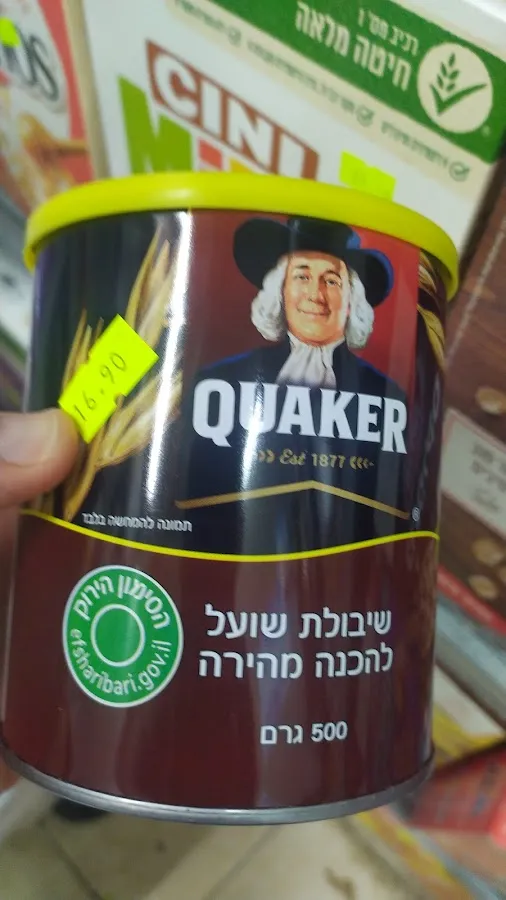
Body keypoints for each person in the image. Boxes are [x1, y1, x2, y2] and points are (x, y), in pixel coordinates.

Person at [173, 216, 410, 554]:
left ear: (352, 300)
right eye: (301, 276)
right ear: (280, 291)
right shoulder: (217, 384)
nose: (316, 295)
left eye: (332, 280)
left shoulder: (386, 400)